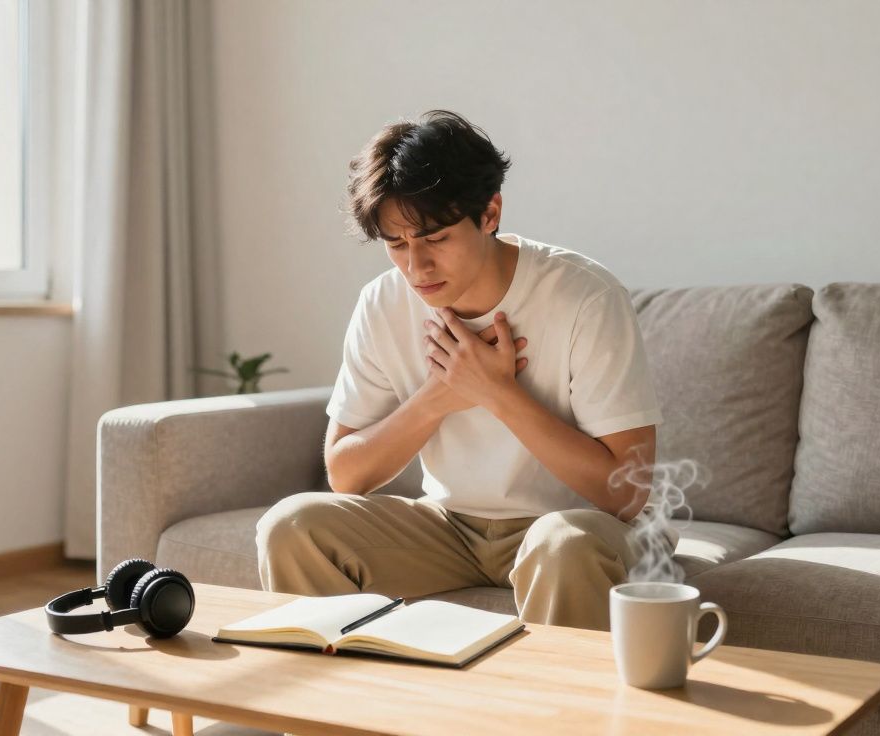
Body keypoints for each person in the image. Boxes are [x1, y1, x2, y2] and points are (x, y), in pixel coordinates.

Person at [255, 110, 677, 631]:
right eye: (396, 244)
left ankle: (560, 715)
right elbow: (346, 474)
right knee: (294, 525)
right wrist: (440, 395)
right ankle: (350, 710)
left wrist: (498, 393)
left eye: (435, 239)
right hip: (451, 528)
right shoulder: (382, 304)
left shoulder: (585, 297)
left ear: (490, 212)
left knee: (561, 544)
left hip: (583, 530)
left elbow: (625, 491)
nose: (417, 267)